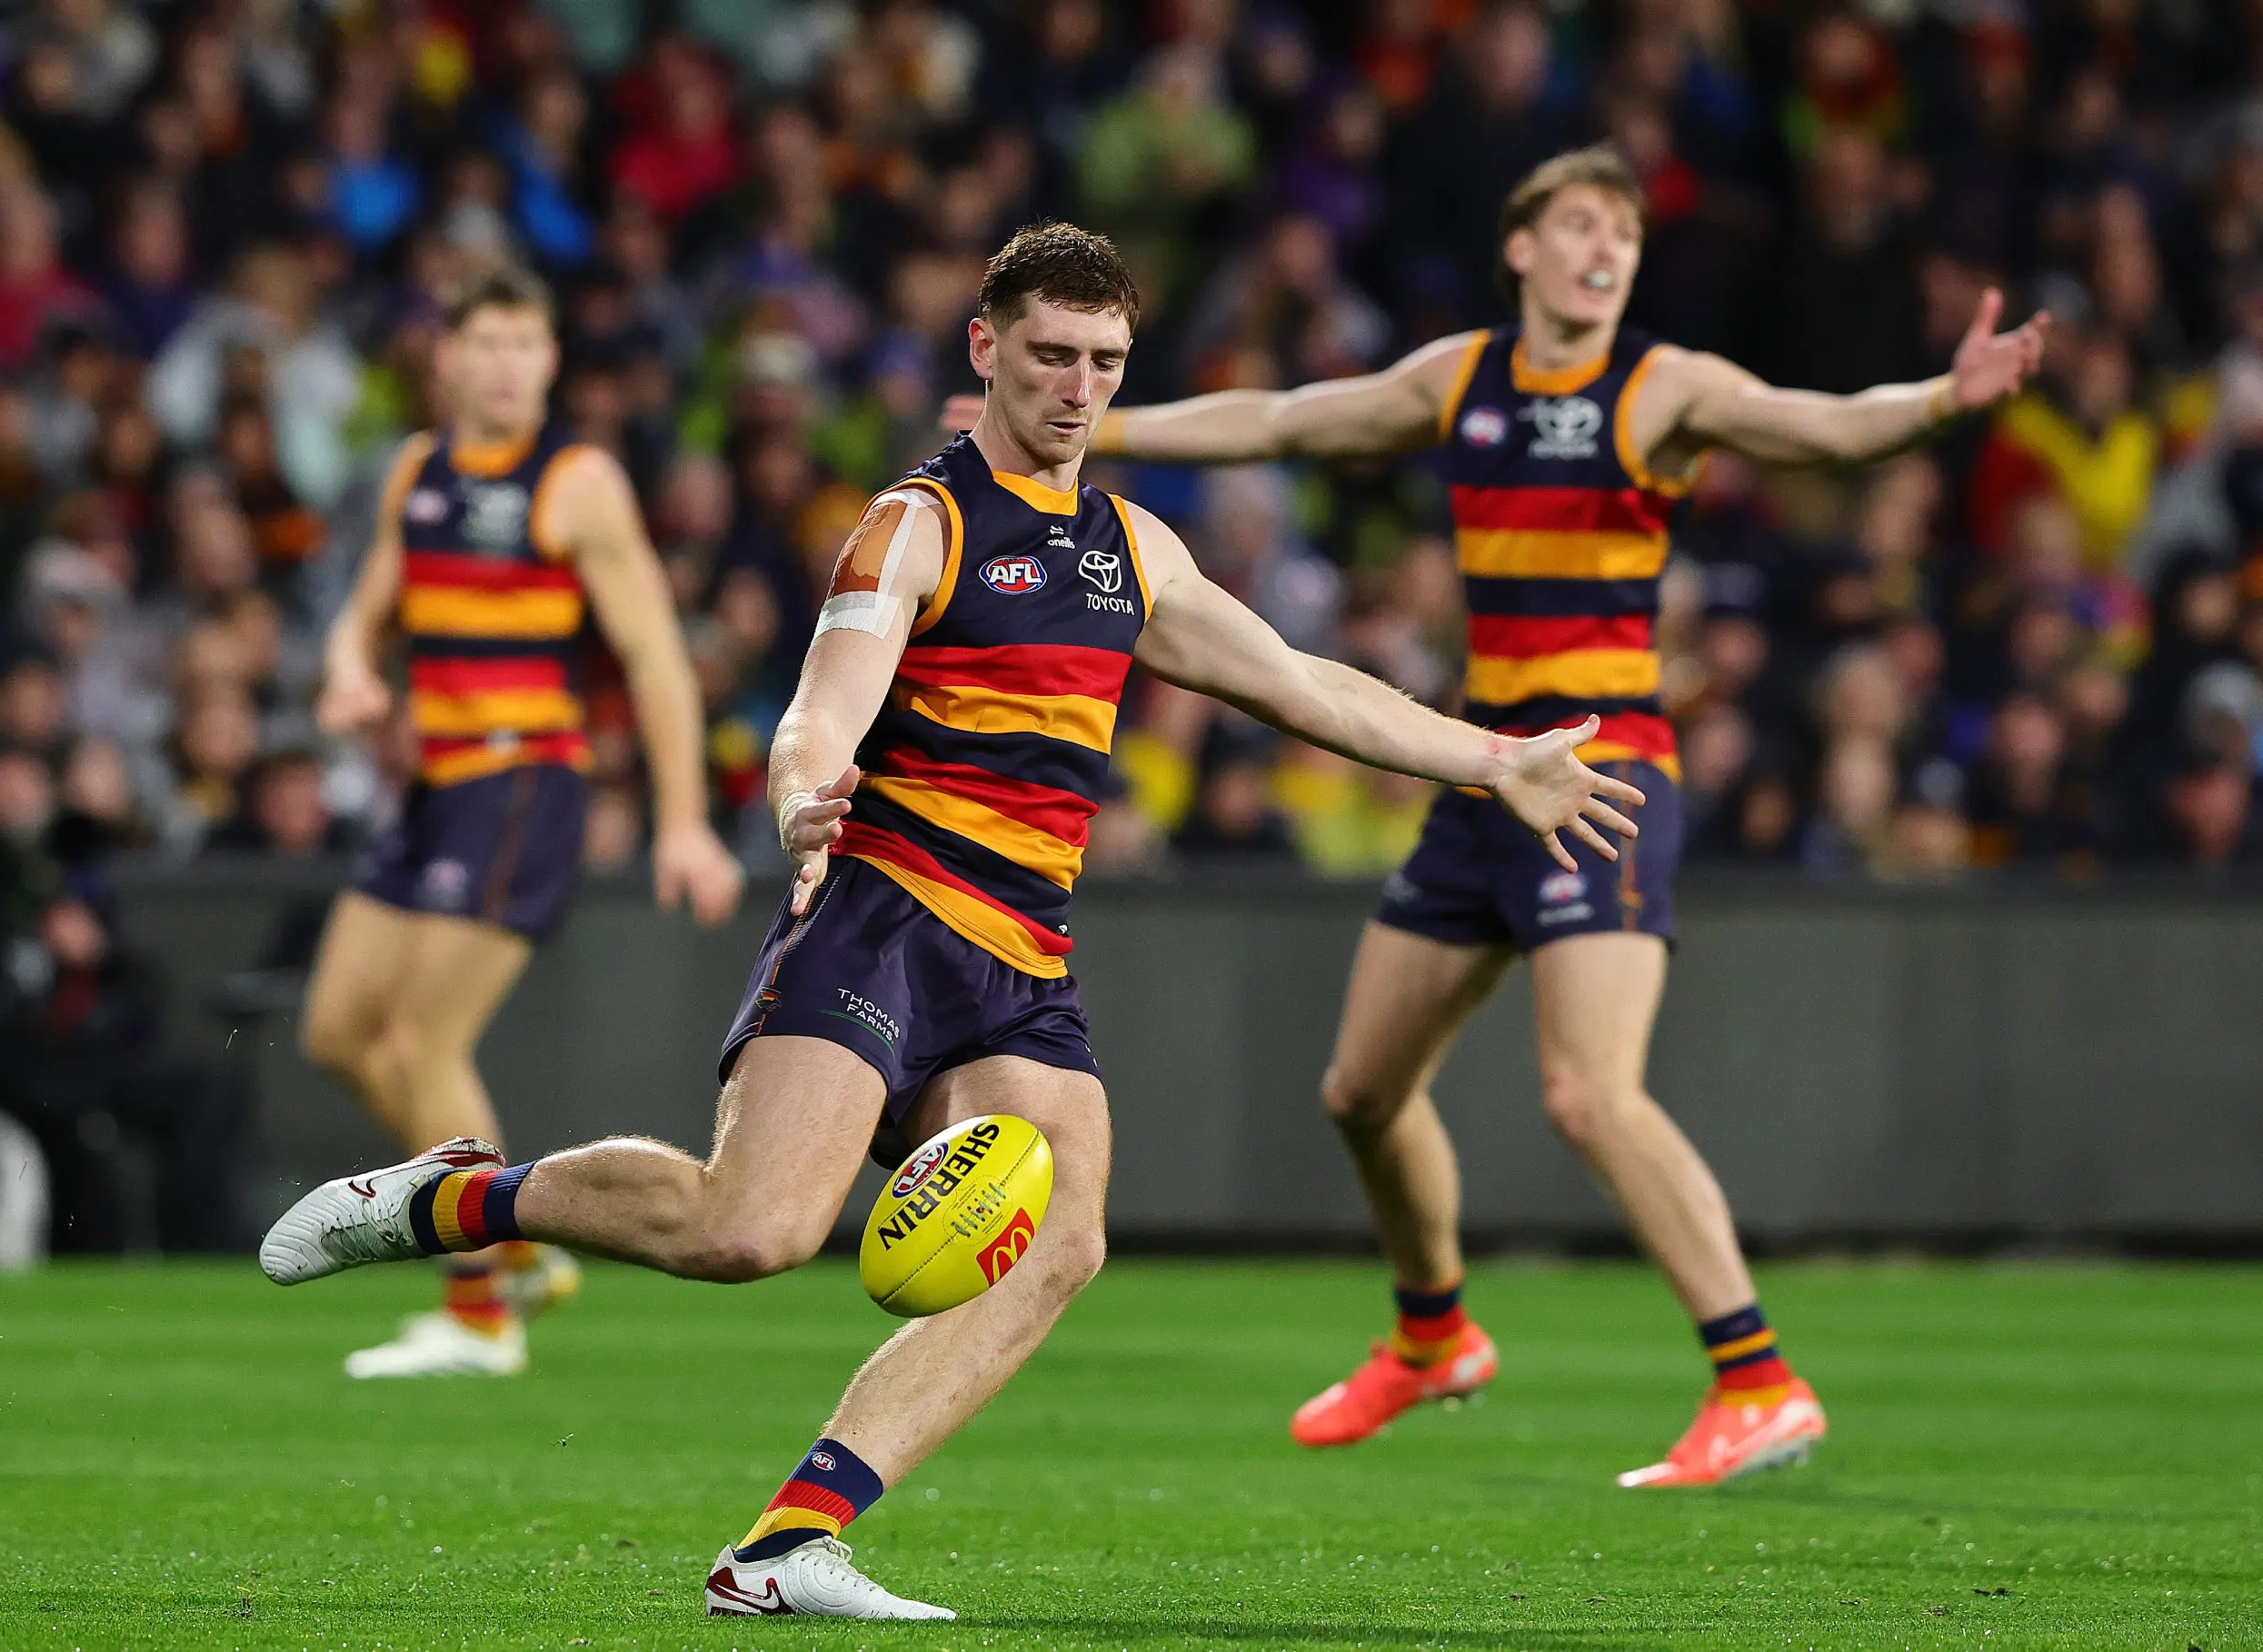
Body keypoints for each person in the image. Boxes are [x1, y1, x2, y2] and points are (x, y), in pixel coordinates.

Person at [262, 223, 1641, 1619]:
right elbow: (823, 703)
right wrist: (803, 793)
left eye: (1105, 360)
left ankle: (786, 1546)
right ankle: (451, 1197)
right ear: (985, 346)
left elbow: (1303, 682)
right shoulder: (920, 521)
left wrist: (1494, 758)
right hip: (885, 918)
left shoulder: (1131, 548)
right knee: (750, 1231)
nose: (1078, 386)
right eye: (1051, 353)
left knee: (1064, 1238)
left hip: (1023, 960)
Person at [943, 146, 2048, 1487]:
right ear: (1521, 249)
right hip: (1488, 774)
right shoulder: (1460, 377)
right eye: (1579, 224)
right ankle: (1433, 1335)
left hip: (1605, 775)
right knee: (1362, 1091)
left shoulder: (1662, 386)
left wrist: (1940, 399)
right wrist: (1094, 429)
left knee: (1588, 1092)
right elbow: (1287, 419)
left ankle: (1759, 1380)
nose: (1606, 249)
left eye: (1623, 233)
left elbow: (1819, 426)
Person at [298, 266, 743, 1379]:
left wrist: (683, 822)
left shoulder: (576, 482)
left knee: (423, 1042)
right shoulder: (419, 469)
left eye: (526, 345)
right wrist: (350, 673)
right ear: (445, 359)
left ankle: (480, 1310)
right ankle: (514, 1246)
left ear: (550, 362)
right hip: (435, 789)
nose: (506, 365)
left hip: (524, 785)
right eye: (486, 343)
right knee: (339, 1034)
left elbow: (654, 656)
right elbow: (362, 617)